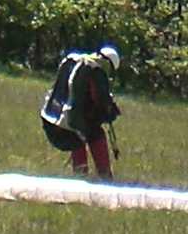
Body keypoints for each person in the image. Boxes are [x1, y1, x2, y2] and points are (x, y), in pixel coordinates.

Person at [39, 42, 124, 181]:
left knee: (80, 129)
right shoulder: (95, 72)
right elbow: (101, 103)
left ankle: (80, 175)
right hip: (67, 129)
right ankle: (104, 177)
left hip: (51, 121)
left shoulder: (76, 61)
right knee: (93, 133)